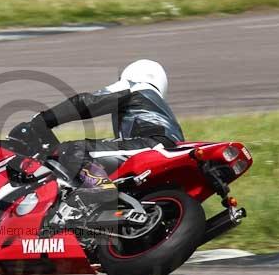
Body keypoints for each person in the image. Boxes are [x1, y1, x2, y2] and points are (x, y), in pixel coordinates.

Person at [30, 59, 185, 206]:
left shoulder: (137, 86)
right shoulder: (162, 109)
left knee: (72, 149)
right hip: (163, 154)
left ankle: (100, 190)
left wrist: (43, 119)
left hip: (152, 144)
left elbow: (87, 102)